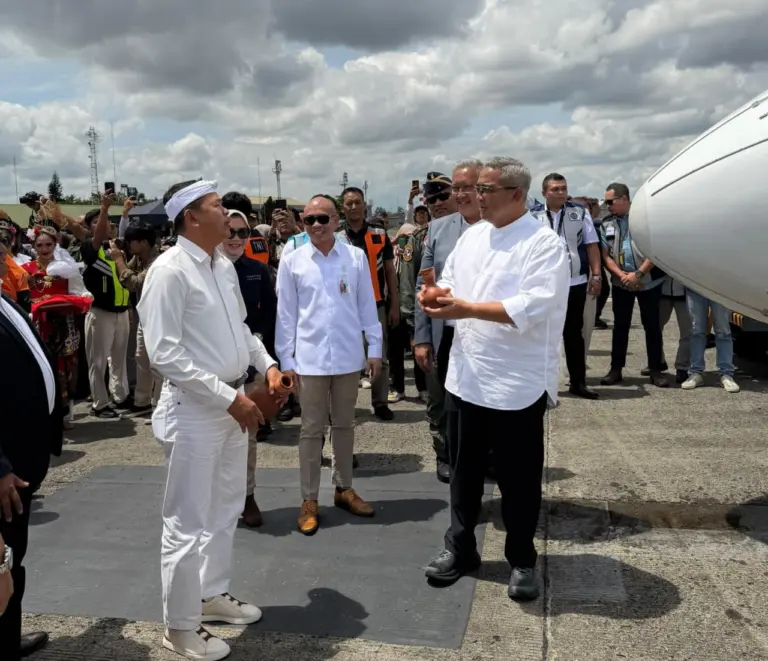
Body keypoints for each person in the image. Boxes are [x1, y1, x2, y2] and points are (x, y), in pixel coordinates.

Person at [139, 179, 286, 661]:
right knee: (185, 521)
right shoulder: (170, 271)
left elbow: (241, 331)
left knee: (225, 507)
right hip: (197, 409)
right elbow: (164, 353)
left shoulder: (221, 265)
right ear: (191, 218)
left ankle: (211, 594)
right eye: (216, 206)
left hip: (231, 403)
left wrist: (266, 365)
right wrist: (229, 398)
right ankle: (179, 627)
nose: (228, 213)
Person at [421, 157, 569, 602]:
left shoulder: (542, 244)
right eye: (475, 189)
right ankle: (460, 548)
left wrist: (464, 309)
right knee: (463, 474)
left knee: (518, 479)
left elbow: (531, 306)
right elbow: (449, 282)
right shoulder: (472, 238)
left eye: (486, 189)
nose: (475, 196)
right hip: (467, 376)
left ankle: (522, 559)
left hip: (516, 383)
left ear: (516, 195)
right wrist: (437, 296)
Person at [276, 195, 382, 536]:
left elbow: (368, 305)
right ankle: (309, 499)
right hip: (310, 361)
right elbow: (286, 316)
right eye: (310, 220)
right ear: (302, 223)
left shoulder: (355, 258)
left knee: (346, 425)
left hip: (348, 357)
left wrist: (375, 348)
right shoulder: (292, 261)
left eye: (324, 218)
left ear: (336, 220)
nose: (317, 225)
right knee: (310, 430)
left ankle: (343, 488)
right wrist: (286, 360)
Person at [1, 290, 64, 660]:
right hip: (5, 471)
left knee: (12, 557)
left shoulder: (5, 299)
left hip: (22, 462)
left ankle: (7, 638)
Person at [414, 164, 482, 483]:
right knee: (440, 399)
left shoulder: (499, 226)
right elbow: (424, 285)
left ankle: (486, 455)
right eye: (455, 188)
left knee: (483, 400)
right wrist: (422, 338)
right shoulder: (438, 230)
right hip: (445, 333)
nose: (457, 195)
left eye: (464, 188)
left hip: (485, 332)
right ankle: (444, 454)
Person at [220, 207, 278, 528]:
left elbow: (266, 316)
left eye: (244, 233)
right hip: (210, 375)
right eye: (230, 232)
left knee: (246, 436)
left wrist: (264, 361)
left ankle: (247, 495)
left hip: (247, 365)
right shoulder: (201, 271)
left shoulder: (257, 270)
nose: (237, 239)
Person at [530, 175, 601, 399]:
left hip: (574, 282)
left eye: (563, 189)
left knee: (573, 334)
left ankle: (578, 382)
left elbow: (591, 244)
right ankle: (540, 386)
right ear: (544, 193)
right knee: (542, 335)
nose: (560, 193)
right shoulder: (532, 216)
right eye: (555, 189)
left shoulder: (579, 213)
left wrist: (596, 275)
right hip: (544, 284)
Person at [22, 227, 92, 429]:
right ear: (33, 246)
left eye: (49, 244)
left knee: (67, 367)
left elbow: (80, 291)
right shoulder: (26, 269)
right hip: (38, 324)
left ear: (55, 245)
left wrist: (84, 298)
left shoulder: (65, 268)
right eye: (39, 245)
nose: (44, 249)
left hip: (64, 322)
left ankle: (65, 410)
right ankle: (45, 412)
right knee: (42, 367)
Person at [599, 183, 669, 388]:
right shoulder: (606, 224)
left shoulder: (645, 221)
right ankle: (616, 369)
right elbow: (606, 256)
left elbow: (655, 249)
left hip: (649, 281)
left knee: (652, 327)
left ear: (624, 199)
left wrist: (638, 274)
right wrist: (623, 276)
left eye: (610, 201)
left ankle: (656, 370)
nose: (607, 205)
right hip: (622, 283)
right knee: (620, 327)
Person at [340, 187, 398, 421]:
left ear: (365, 205)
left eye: (357, 202)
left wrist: (394, 304)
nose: (353, 207)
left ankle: (380, 402)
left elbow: (390, 271)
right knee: (347, 358)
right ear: (342, 208)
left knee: (379, 356)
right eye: (349, 203)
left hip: (375, 304)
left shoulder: (379, 234)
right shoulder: (335, 236)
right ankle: (346, 405)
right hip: (345, 307)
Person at [81, 193, 133, 418]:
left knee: (119, 359)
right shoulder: (90, 250)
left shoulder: (117, 250)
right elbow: (97, 234)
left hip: (121, 312)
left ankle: (120, 396)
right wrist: (103, 208)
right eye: (97, 224)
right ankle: (99, 404)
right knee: (98, 361)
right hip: (101, 313)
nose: (104, 227)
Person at [111, 222, 161, 416]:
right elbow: (124, 278)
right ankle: (142, 401)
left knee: (158, 363)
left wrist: (119, 260)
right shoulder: (140, 257)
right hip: (145, 316)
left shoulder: (157, 260)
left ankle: (159, 406)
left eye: (131, 242)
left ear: (143, 243)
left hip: (159, 318)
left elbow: (135, 283)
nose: (128, 245)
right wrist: (120, 257)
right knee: (142, 358)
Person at [682, 289, 740, 393]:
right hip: (695, 285)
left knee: (723, 331)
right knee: (697, 331)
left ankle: (726, 373)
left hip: (719, 285)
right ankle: (696, 372)